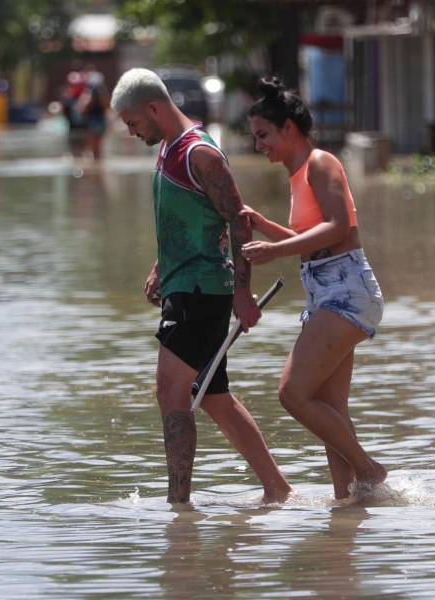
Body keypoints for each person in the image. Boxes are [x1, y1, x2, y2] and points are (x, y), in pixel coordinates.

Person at [110, 68, 293, 505]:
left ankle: (179, 505)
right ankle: (278, 488)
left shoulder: (201, 154)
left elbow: (236, 220)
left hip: (202, 291)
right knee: (213, 396)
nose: (132, 133)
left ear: (154, 108)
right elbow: (193, 220)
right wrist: (160, 267)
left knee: (169, 389)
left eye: (133, 123)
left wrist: (243, 294)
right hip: (183, 285)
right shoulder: (168, 149)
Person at [239, 76, 387, 501]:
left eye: (264, 135)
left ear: (289, 128)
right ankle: (348, 504)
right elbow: (317, 236)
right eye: (255, 137)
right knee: (329, 410)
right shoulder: (297, 175)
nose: (258, 145)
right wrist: (268, 227)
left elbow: (340, 226)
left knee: (292, 393)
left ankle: (368, 469)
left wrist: (275, 248)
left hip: (348, 289)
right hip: (326, 291)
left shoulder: (321, 162)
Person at [77, 68, 110, 162]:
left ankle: (96, 166)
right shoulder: (103, 92)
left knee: (93, 148)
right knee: (98, 147)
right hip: (101, 121)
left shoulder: (89, 92)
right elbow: (107, 107)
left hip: (93, 121)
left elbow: (83, 108)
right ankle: (98, 165)